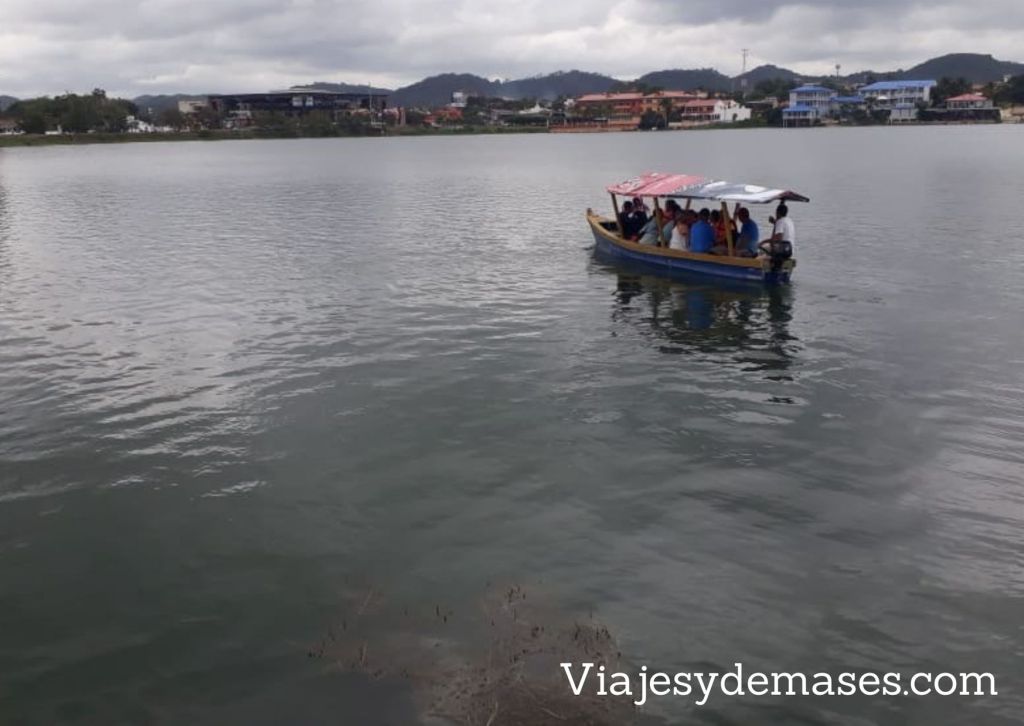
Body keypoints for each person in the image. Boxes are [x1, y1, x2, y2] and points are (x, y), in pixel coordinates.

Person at [761, 203, 795, 271]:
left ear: (777, 212)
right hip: (790, 250)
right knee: (768, 247)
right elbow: (781, 228)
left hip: (782, 251)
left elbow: (778, 239)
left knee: (762, 248)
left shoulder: (780, 221)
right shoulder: (789, 220)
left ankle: (764, 268)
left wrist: (762, 242)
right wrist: (775, 223)